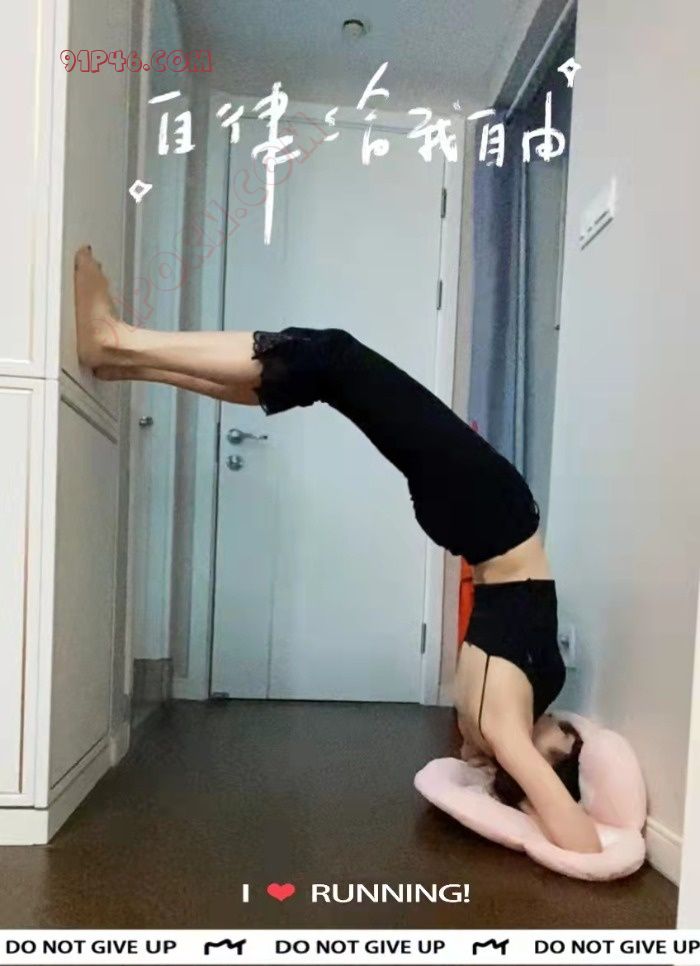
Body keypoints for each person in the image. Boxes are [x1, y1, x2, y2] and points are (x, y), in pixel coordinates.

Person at [74, 245, 602, 854]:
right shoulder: (496, 728)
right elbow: (493, 754)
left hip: (492, 518)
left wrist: (539, 794)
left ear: (540, 776)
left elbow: (584, 845)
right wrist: (505, 766)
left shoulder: (502, 727)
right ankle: (124, 361)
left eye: (567, 751)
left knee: (334, 358)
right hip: (485, 524)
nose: (574, 737)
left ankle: (119, 341)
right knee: (323, 375)